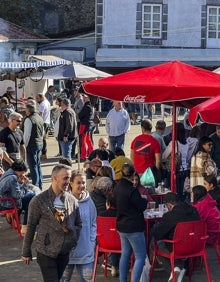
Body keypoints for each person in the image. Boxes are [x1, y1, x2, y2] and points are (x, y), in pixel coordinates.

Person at [21, 164, 82, 282]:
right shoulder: (38, 201)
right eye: (65, 178)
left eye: (69, 178)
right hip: (46, 252)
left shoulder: (72, 200)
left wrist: (72, 238)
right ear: (54, 178)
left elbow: (79, 223)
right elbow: (31, 226)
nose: (68, 182)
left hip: (64, 252)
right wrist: (26, 251)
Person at [152, 192, 200, 282]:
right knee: (173, 244)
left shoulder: (170, 216)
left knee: (155, 243)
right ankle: (178, 268)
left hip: (178, 246)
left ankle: (175, 269)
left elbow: (158, 234)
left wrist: (155, 227)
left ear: (169, 205)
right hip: (196, 245)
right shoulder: (194, 211)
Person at [114, 163, 147, 282]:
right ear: (133, 174)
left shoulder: (117, 187)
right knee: (140, 257)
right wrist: (144, 200)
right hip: (134, 227)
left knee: (125, 254)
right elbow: (141, 206)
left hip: (121, 226)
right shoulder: (132, 190)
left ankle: (123, 280)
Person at [61, 170, 96, 282]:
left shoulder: (89, 201)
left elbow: (94, 223)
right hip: (67, 253)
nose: (81, 186)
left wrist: (92, 242)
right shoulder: (63, 201)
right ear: (71, 183)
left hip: (86, 252)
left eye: (83, 183)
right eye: (78, 183)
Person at [0, 159, 35, 234]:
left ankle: (17, 219)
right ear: (19, 170)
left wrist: (20, 182)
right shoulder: (12, 177)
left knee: (29, 201)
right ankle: (25, 226)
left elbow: (13, 190)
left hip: (4, 200)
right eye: (23, 172)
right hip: (8, 203)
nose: (23, 174)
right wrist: (25, 184)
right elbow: (18, 195)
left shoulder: (7, 173)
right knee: (32, 197)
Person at [163, 122, 189, 201]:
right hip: (184, 169)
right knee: (181, 192)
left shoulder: (173, 143)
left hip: (175, 170)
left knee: (174, 193)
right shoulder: (186, 143)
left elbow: (164, 156)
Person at [99, 193, 120, 277]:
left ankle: (114, 266)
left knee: (113, 238)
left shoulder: (101, 215)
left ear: (107, 203)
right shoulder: (122, 215)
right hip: (120, 244)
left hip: (104, 243)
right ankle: (119, 265)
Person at [23, 103, 44, 189]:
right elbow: (43, 131)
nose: (25, 111)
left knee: (33, 166)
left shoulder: (29, 119)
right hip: (39, 143)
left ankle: (36, 185)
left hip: (31, 145)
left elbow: (27, 135)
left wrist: (24, 146)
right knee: (38, 165)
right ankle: (40, 183)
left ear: (28, 110)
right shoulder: (39, 117)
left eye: (25, 110)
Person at [78, 94, 94, 162]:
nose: (83, 98)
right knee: (88, 140)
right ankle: (91, 154)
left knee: (83, 141)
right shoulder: (90, 106)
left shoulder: (86, 106)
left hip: (84, 124)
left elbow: (80, 115)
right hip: (88, 124)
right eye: (83, 97)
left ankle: (83, 156)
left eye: (85, 97)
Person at [36, 93, 51, 159]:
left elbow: (40, 115)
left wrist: (38, 123)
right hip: (47, 122)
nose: (36, 100)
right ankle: (43, 153)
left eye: (37, 98)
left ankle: (43, 153)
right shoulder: (47, 102)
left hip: (43, 122)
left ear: (41, 97)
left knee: (41, 138)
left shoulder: (42, 104)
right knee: (43, 138)